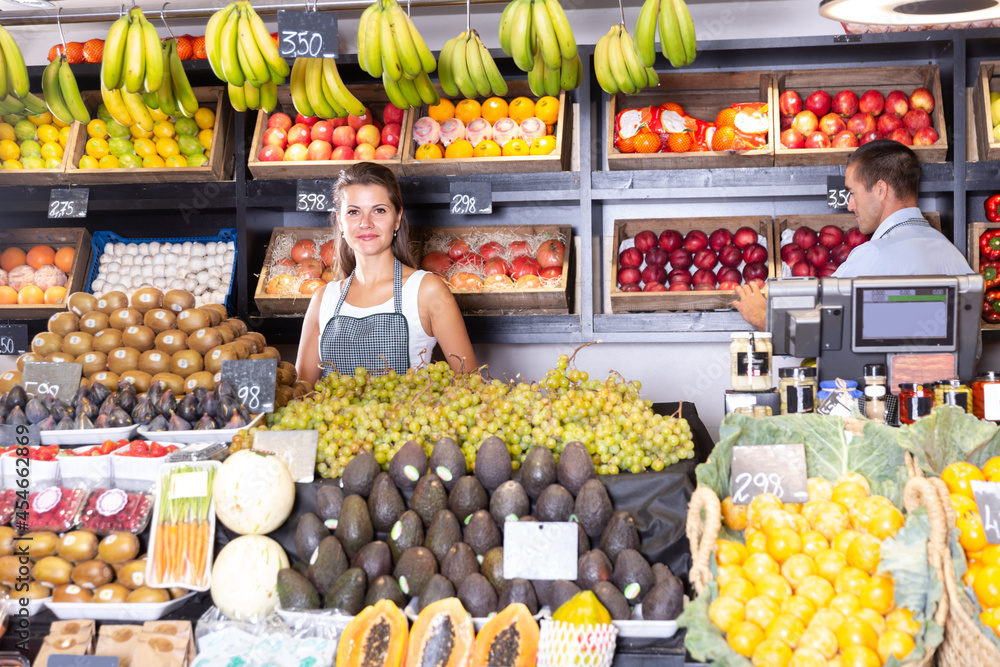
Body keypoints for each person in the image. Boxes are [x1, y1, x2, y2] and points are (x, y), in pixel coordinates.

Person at [733, 140, 973, 330]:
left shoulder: (874, 256)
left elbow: (823, 334)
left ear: (880, 190)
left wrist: (764, 318)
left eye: (853, 193)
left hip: (887, 393)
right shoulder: (953, 255)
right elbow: (972, 349)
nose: (849, 205)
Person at [296, 162, 477, 385]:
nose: (366, 223)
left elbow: (470, 383)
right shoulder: (323, 299)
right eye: (353, 212)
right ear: (340, 221)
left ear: (397, 218)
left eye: (379, 210)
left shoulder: (426, 290)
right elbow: (302, 390)